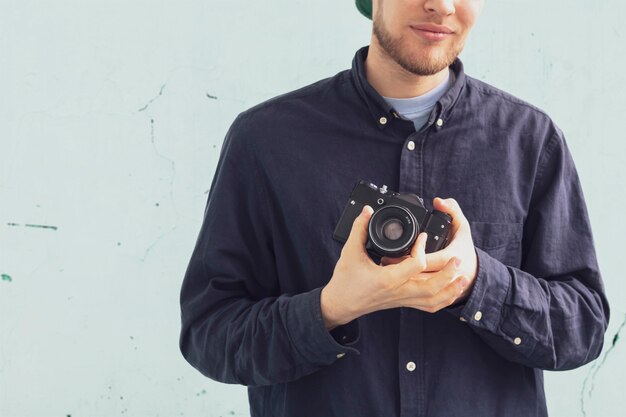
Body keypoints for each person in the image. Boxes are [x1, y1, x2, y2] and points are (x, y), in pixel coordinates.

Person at [179, 1, 610, 416]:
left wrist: (476, 281)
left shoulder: (529, 141)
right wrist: (331, 308)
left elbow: (583, 328)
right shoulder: (266, 142)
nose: (442, 6)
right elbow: (209, 333)